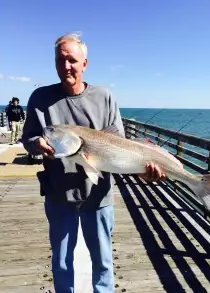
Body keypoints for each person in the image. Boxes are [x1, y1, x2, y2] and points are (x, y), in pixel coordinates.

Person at [22, 33, 166, 293]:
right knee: (61, 263)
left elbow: (120, 149)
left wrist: (144, 171)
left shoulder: (105, 98)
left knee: (103, 263)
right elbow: (30, 137)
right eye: (60, 60)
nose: (65, 66)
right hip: (58, 195)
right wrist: (36, 145)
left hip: (98, 196)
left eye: (71, 60)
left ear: (84, 63)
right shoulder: (39, 99)